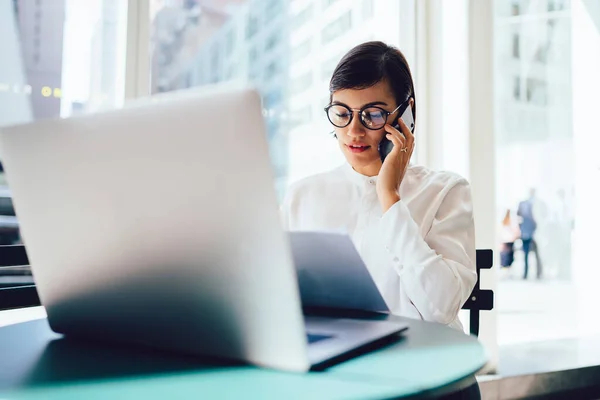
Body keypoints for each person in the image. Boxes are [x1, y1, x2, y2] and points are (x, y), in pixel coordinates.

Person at [280, 41, 481, 399]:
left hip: (429, 379)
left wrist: (390, 198)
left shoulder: (446, 191)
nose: (354, 131)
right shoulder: (302, 196)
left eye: (372, 115)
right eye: (342, 113)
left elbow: (439, 307)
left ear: (406, 115)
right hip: (338, 378)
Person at [517, 188, 543, 279]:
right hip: (528, 233)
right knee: (530, 254)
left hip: (528, 233)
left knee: (530, 255)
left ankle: (531, 274)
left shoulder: (526, 204)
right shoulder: (528, 204)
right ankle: (531, 274)